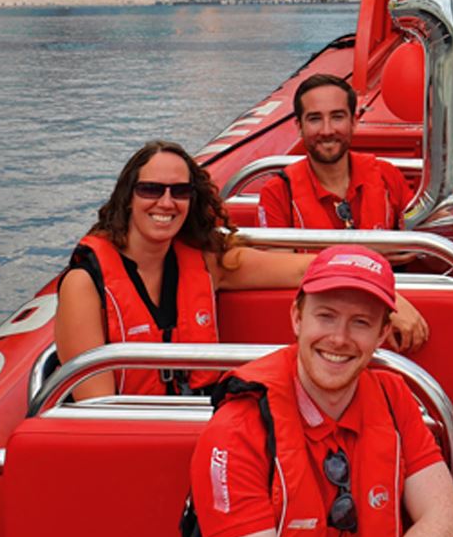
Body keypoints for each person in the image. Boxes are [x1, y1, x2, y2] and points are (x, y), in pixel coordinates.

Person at [140, 246, 453, 537]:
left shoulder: (394, 399)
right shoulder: (237, 431)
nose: (339, 338)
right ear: (297, 318)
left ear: (383, 333)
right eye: (325, 316)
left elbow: (445, 521)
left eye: (360, 323)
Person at [53, 140, 316, 401]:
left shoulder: (209, 262)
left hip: (204, 420)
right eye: (151, 189)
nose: (167, 203)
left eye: (180, 191)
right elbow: (97, 409)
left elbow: (298, 271)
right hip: (129, 429)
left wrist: (353, 263)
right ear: (128, 198)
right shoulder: (85, 284)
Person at [257, 74, 417, 238]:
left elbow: (426, 251)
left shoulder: (387, 176)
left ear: (353, 122)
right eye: (315, 119)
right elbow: (277, 260)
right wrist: (367, 252)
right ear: (299, 127)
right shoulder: (277, 193)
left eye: (337, 117)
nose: (327, 131)